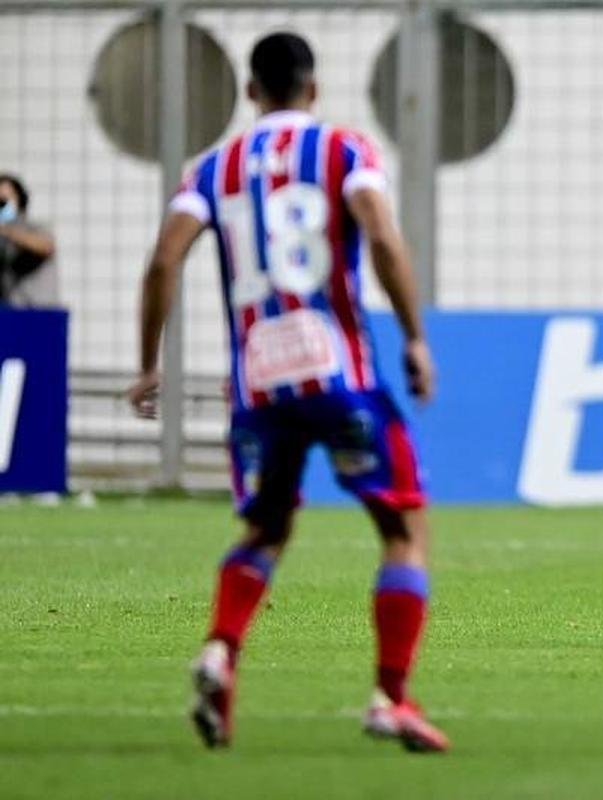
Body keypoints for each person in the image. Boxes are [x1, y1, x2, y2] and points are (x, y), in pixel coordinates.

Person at [127, 32, 448, 752]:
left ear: (250, 93)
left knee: (265, 529)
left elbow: (161, 263)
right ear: (313, 89)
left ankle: (219, 650)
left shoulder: (212, 167)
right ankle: (390, 698)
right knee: (403, 531)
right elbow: (383, 236)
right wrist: (415, 338)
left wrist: (148, 363)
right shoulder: (345, 151)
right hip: (340, 375)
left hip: (258, 385)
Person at [0, 173, 56, 306]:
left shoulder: (33, 228)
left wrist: (5, 229)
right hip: (10, 310)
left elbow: (46, 247)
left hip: (40, 310)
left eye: (4, 201)